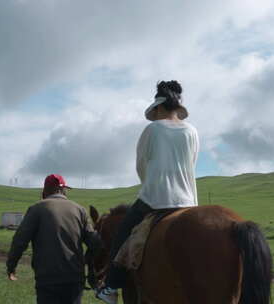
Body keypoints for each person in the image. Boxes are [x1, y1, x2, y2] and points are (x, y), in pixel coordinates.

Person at [97, 80, 199, 304]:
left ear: (160, 107)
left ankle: (111, 287)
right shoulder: (192, 131)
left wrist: (149, 183)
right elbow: (192, 163)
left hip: (156, 198)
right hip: (188, 201)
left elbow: (141, 165)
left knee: (122, 232)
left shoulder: (152, 129)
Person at [7, 174, 100, 304]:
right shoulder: (80, 210)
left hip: (48, 278)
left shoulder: (37, 209)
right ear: (63, 190)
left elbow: (20, 241)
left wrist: (11, 265)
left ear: (45, 190)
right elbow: (94, 243)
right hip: (74, 279)